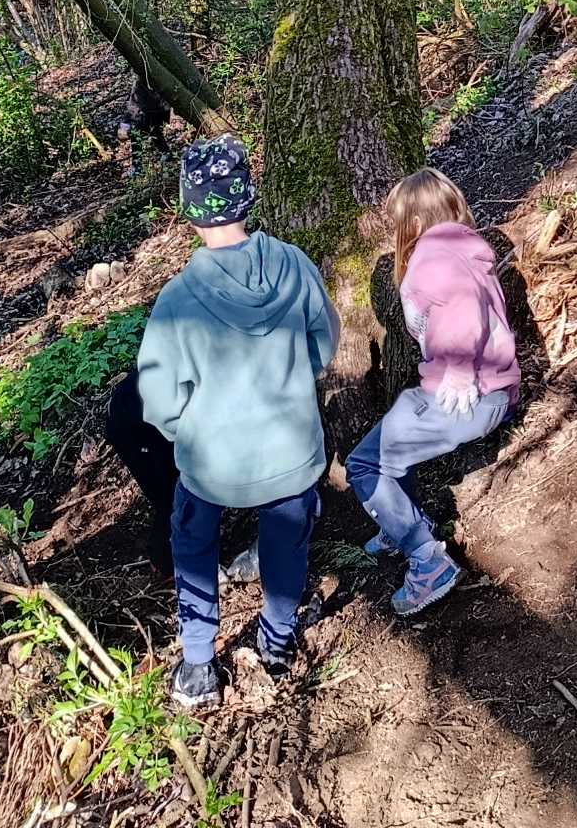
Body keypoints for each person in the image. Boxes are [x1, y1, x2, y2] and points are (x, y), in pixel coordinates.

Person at [137, 136, 338, 708]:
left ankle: (199, 663)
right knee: (287, 544)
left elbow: (158, 398)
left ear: (188, 208)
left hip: (211, 467)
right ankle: (277, 643)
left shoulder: (179, 299)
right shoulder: (294, 265)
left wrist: (187, 432)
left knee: (192, 541)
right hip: (292, 454)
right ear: (248, 194)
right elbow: (324, 343)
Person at [348, 167, 519, 616]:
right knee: (392, 445)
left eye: (395, 221)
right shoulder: (466, 247)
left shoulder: (433, 255)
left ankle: (428, 562)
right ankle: (397, 522)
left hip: (464, 394)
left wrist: (459, 369)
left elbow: (462, 307)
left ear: (414, 221)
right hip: (494, 391)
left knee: (364, 465)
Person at [104, 369, 178, 578]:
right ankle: (164, 561)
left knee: (173, 492)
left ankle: (178, 549)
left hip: (149, 417)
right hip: (134, 426)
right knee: (170, 495)